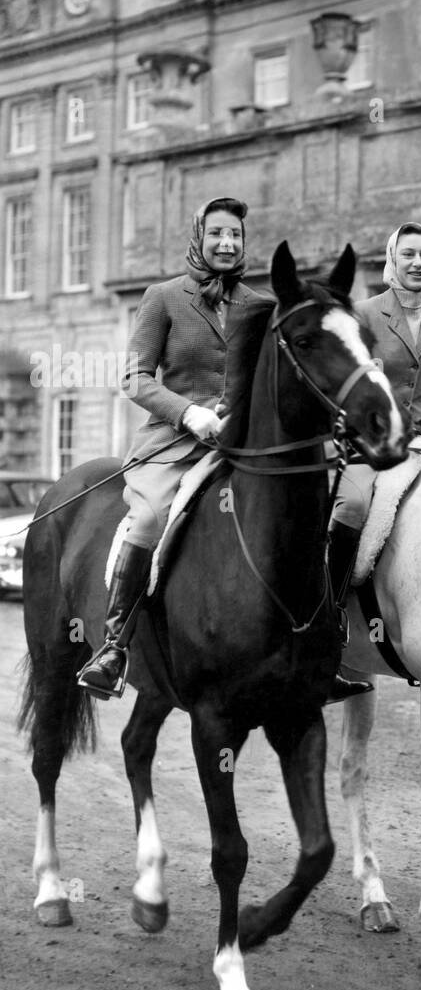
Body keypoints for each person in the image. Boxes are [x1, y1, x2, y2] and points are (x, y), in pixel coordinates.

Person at [77, 197, 265, 699]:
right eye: (218, 234)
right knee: (149, 518)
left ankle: (308, 644)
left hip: (242, 447)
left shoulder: (260, 305)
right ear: (199, 238)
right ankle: (114, 646)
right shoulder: (164, 297)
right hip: (175, 445)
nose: (227, 244)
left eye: (236, 236)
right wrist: (190, 413)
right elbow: (135, 379)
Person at [327, 221, 421, 700]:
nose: (419, 263)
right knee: (353, 509)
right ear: (392, 259)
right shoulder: (361, 315)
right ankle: (329, 618)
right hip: (371, 445)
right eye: (410, 255)